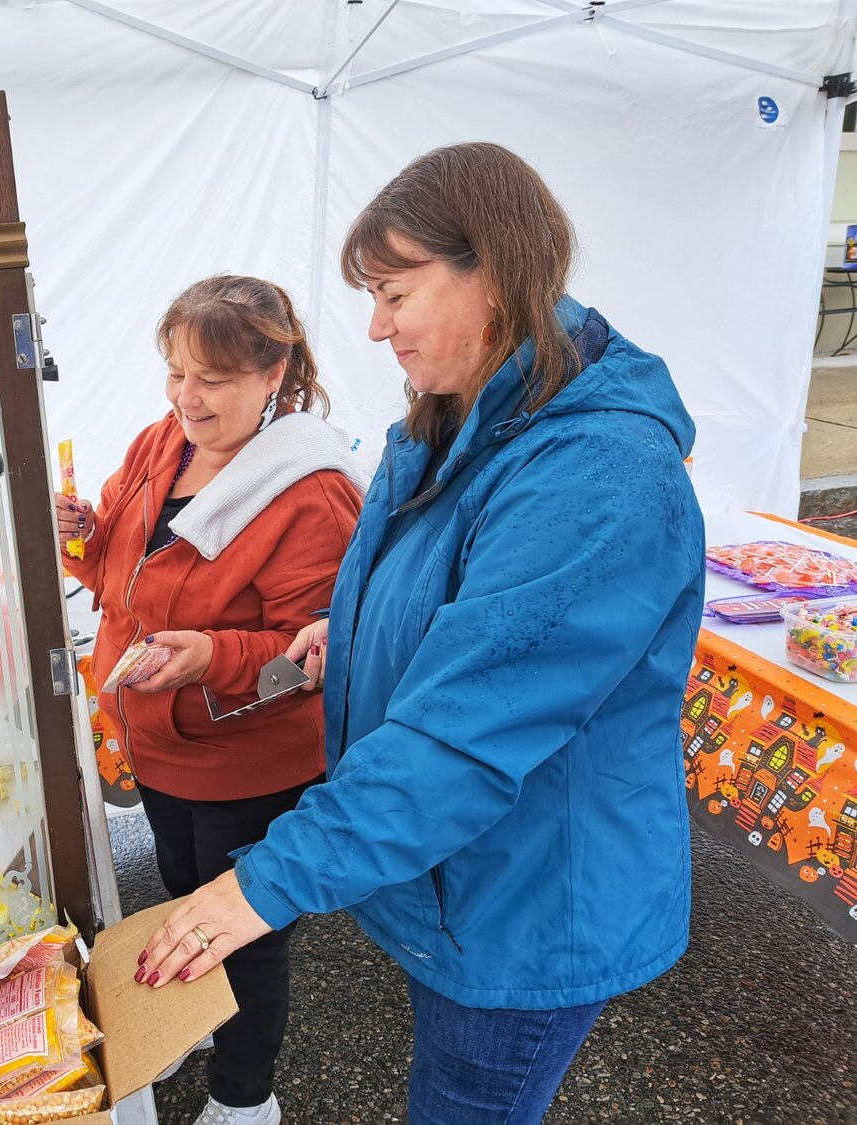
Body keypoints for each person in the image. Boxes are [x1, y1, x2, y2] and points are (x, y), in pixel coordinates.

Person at [137, 143, 705, 1124]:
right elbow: (446, 608)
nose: (373, 326)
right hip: (463, 878)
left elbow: (467, 732)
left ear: (491, 270)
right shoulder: (456, 420)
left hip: (530, 901)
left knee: (467, 1100)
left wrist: (259, 887)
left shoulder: (591, 470)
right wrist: (343, 635)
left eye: (395, 293)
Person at [56, 275, 363, 1125]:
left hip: (246, 760)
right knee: (183, 894)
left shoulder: (311, 488)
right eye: (176, 372)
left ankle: (244, 1098)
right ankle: (202, 1016)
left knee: (246, 935)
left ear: (275, 374)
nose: (187, 398)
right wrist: (78, 534)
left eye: (213, 379)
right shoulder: (164, 443)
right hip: (162, 745)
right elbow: (121, 574)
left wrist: (210, 656)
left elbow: (319, 651)